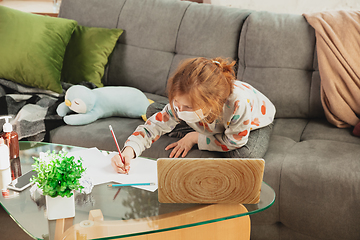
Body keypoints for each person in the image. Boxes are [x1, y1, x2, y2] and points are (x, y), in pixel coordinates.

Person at [111, 57, 276, 174]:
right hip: (209, 120)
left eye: (187, 107)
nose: (180, 109)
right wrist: (129, 150)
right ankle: (205, 129)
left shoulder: (238, 104)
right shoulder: (181, 106)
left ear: (212, 102)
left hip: (254, 123)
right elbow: (153, 126)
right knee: (154, 112)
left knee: (245, 155)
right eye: (176, 102)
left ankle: (200, 133)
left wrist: (195, 138)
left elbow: (234, 142)